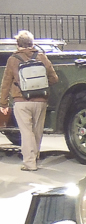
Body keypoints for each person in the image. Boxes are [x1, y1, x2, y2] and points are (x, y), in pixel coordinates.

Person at [0, 30, 59, 171]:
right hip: (41, 100)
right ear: (32, 44)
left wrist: (3, 103)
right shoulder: (41, 57)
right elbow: (54, 78)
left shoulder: (13, 59)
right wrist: (41, 86)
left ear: (18, 44)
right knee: (37, 131)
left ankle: (29, 163)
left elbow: (6, 82)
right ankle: (35, 157)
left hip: (21, 101)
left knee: (26, 132)